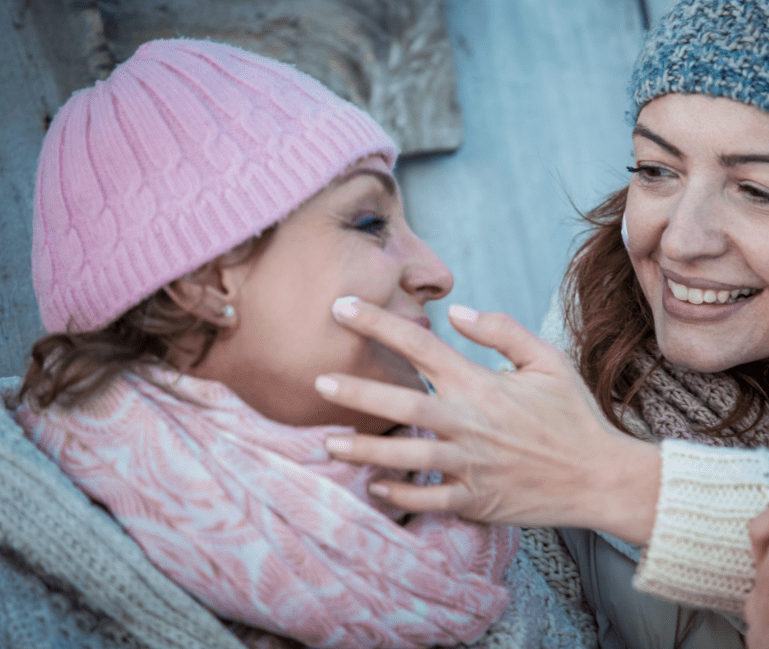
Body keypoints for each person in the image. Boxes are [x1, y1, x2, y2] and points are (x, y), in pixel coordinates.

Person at [314, 0, 769, 647]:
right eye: (657, 170)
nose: (681, 241)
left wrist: (608, 479)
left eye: (759, 190)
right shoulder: (575, 366)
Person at [9, 38, 596, 649]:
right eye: (370, 223)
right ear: (205, 282)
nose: (436, 272)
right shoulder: (35, 576)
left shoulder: (496, 494)